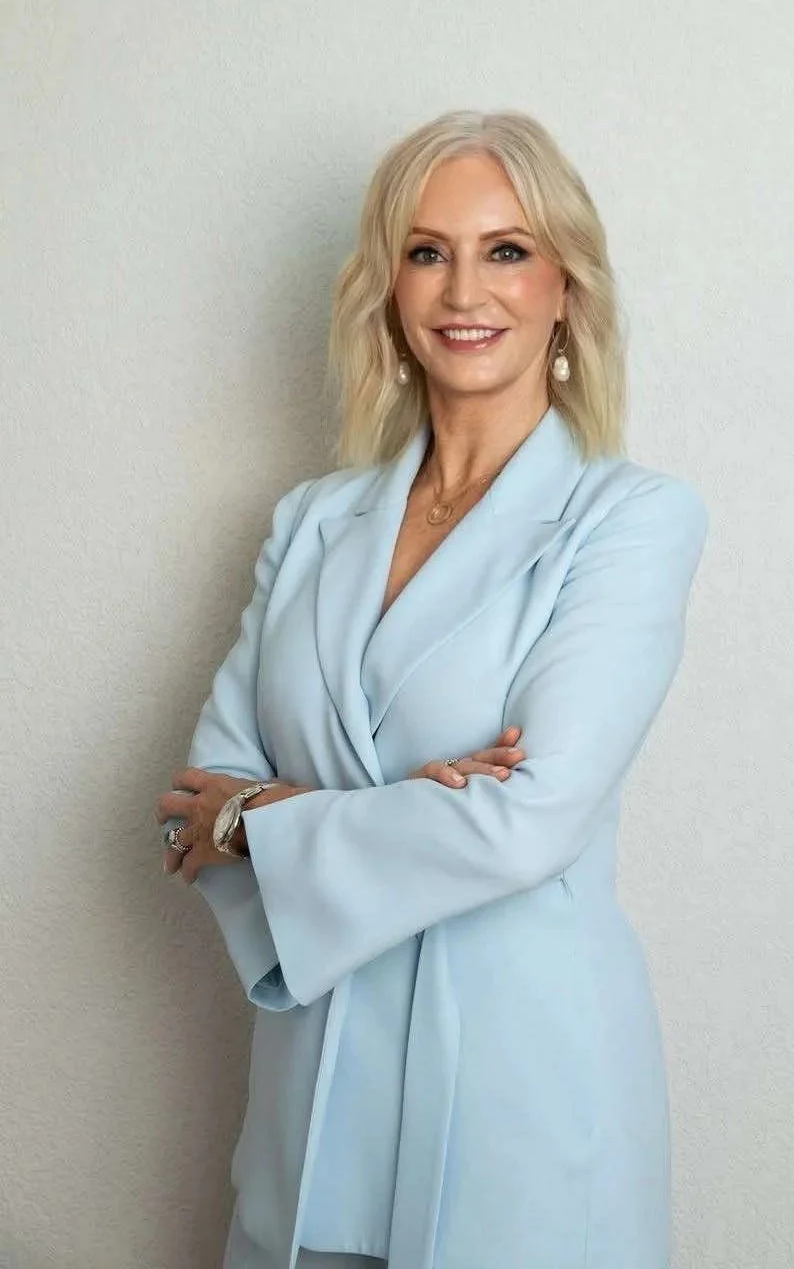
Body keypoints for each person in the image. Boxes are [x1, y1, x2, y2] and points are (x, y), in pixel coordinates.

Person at [156, 109, 709, 1269]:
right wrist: (383, 806)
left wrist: (265, 821)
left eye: (506, 249)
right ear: (389, 289)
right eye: (426, 251)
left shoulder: (629, 521)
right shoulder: (310, 523)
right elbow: (194, 806)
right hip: (315, 1091)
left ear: (565, 288)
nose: (464, 289)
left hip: (520, 1089)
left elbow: (529, 818)